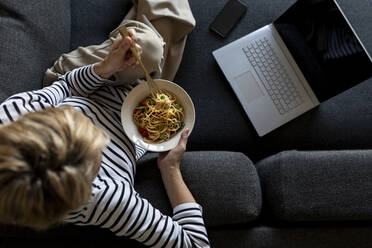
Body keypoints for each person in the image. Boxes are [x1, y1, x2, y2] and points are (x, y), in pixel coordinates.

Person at [0, 26, 209, 248]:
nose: (101, 136)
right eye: (98, 148)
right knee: (170, 27)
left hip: (87, 83)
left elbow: (66, 86)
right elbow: (196, 245)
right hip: (138, 113)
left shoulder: (12, 116)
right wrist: (171, 169)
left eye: (74, 118)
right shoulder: (108, 200)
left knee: (149, 47)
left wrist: (105, 67)